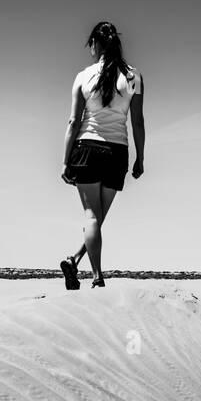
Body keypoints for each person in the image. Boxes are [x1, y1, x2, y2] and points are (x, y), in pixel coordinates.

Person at [60, 21, 145, 289]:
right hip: (117, 152)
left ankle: (96, 277)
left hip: (87, 150)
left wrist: (65, 160)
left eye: (90, 45)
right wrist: (140, 158)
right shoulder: (133, 76)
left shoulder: (83, 76)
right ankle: (75, 261)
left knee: (92, 218)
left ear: (96, 43)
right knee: (97, 218)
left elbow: (74, 122)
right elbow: (138, 121)